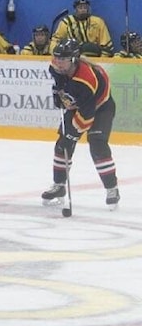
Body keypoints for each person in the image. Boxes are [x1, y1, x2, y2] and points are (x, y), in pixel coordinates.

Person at [41, 38, 119, 209]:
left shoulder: (85, 80)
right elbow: (60, 84)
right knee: (62, 145)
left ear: (74, 59)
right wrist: (58, 93)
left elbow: (86, 114)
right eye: (57, 58)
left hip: (101, 108)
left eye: (63, 59)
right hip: (81, 104)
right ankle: (59, 186)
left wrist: (73, 133)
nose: (58, 62)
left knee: (97, 144)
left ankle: (112, 188)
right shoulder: (56, 67)